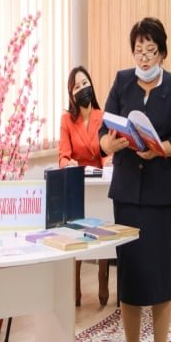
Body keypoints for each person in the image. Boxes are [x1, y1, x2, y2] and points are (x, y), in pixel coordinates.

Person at [99, 17, 171, 342]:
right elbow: (103, 131)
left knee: (159, 277)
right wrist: (109, 144)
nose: (144, 57)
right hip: (127, 195)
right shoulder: (122, 81)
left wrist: (161, 149)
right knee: (130, 278)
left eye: (151, 51)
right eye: (138, 50)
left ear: (162, 53)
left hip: (161, 196)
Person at [59, 65, 110, 307]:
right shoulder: (67, 120)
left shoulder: (103, 116)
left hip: (100, 183)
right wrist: (68, 163)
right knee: (77, 234)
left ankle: (103, 277)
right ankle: (75, 285)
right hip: (78, 184)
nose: (82, 89)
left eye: (85, 83)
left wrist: (108, 164)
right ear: (71, 94)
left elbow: (106, 153)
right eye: (77, 86)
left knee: (103, 227)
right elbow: (63, 156)